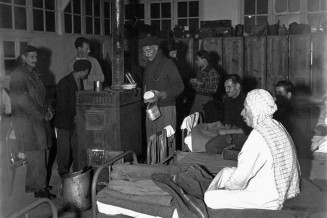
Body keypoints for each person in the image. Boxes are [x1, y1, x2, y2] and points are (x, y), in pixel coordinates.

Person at [204, 89, 300, 210]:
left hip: (268, 198)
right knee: (226, 171)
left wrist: (228, 189)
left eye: (245, 108)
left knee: (210, 197)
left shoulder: (258, 135)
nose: (242, 113)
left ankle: (215, 194)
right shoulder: (277, 125)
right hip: (278, 187)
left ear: (255, 110)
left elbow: (240, 179)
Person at [9, 45, 56, 199]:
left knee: (40, 152)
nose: (35, 60)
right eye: (32, 57)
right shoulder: (18, 74)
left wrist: (49, 109)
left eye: (36, 57)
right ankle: (40, 189)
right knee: (37, 153)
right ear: (23, 57)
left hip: (36, 118)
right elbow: (23, 100)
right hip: (28, 120)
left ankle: (33, 184)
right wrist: (42, 114)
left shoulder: (31, 72)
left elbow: (42, 95)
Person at [141, 36, 184, 139]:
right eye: (144, 52)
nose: (146, 54)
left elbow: (180, 86)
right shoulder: (149, 64)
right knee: (151, 142)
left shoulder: (167, 63)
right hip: (151, 109)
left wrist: (161, 95)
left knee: (166, 142)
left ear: (156, 48)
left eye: (148, 50)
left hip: (166, 108)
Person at [55, 59, 91, 176]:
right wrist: (75, 115)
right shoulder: (64, 82)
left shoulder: (79, 81)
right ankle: (63, 175)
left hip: (75, 121)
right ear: (82, 71)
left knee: (77, 148)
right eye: (87, 71)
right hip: (65, 122)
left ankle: (77, 173)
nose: (88, 74)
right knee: (64, 151)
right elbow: (62, 105)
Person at [205, 74, 252, 154]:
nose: (226, 90)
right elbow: (228, 119)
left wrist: (227, 132)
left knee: (236, 150)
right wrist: (227, 132)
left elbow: (248, 129)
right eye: (225, 87)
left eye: (229, 87)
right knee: (210, 147)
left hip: (245, 134)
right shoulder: (228, 100)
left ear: (237, 86)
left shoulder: (248, 100)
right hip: (232, 131)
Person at [189, 49, 220, 117]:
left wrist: (201, 83)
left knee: (201, 121)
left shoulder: (212, 72)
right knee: (191, 121)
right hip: (197, 98)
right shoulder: (199, 70)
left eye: (197, 59)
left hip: (206, 100)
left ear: (204, 59)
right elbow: (197, 87)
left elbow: (214, 89)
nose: (195, 61)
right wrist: (193, 82)